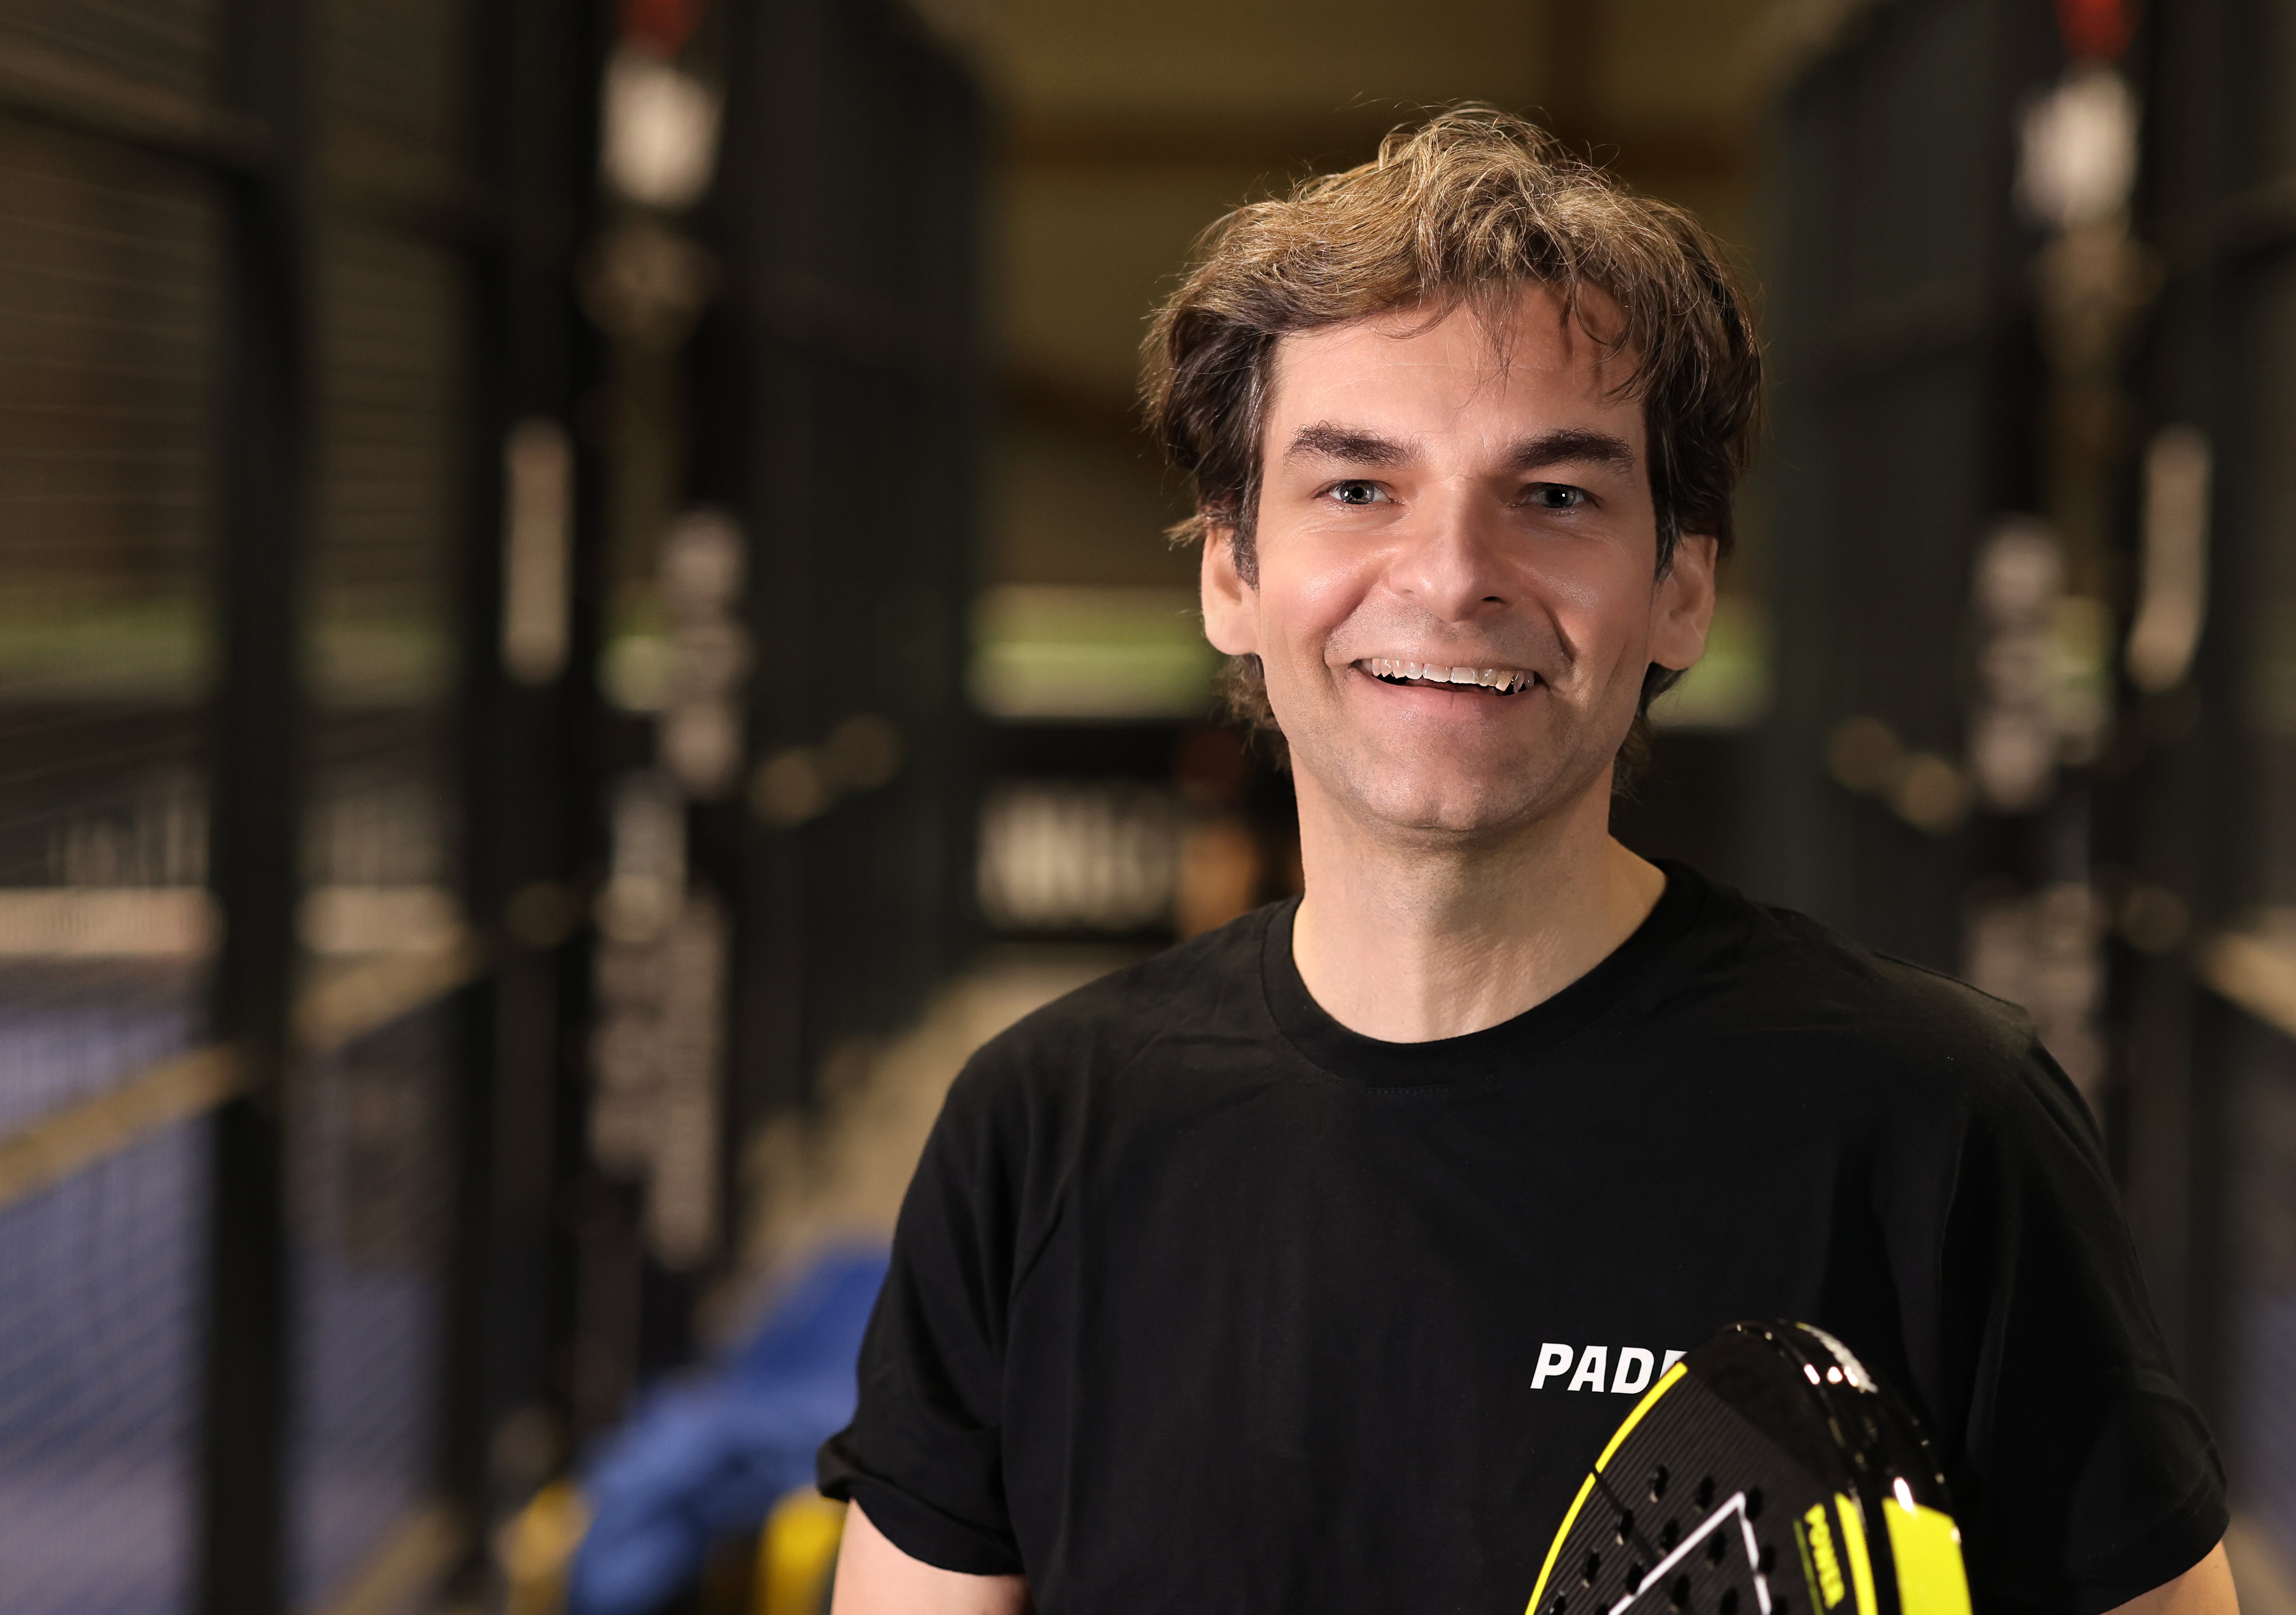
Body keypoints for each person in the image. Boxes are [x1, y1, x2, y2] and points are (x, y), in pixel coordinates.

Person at [818, 110, 2235, 1615]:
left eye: (1553, 496)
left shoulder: (1938, 1124)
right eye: (1356, 486)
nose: (1450, 574)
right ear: (1233, 572)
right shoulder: (1038, 1131)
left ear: (1678, 589)